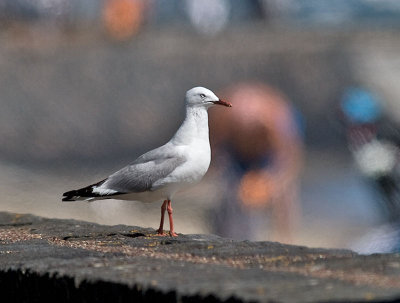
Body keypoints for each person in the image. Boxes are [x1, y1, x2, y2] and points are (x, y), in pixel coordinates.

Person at [209, 82, 303, 242]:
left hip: (269, 151)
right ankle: (224, 235)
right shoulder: (222, 117)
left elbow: (290, 157)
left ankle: (286, 238)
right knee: (229, 193)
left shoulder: (275, 116)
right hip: (234, 151)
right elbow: (212, 149)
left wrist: (273, 180)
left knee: (285, 192)